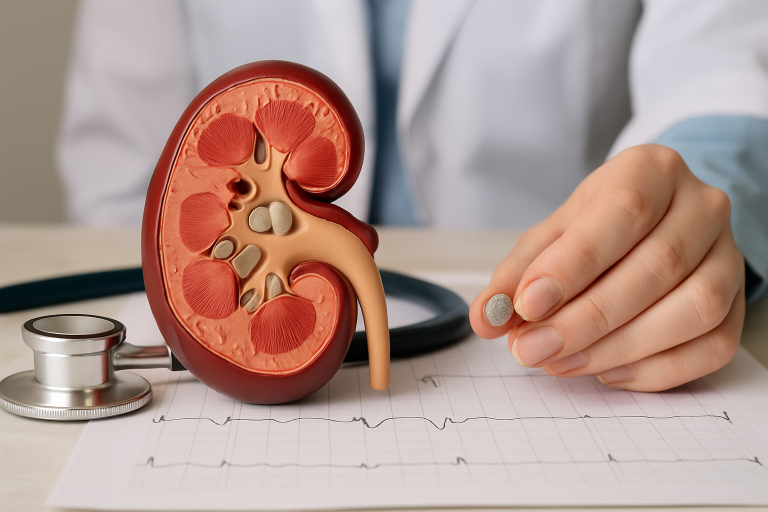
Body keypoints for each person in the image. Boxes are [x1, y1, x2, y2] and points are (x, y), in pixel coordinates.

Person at [57, 0, 768, 392]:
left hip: (545, 288)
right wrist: (191, 325)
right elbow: (124, 162)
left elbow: (723, 66)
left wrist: (684, 214)